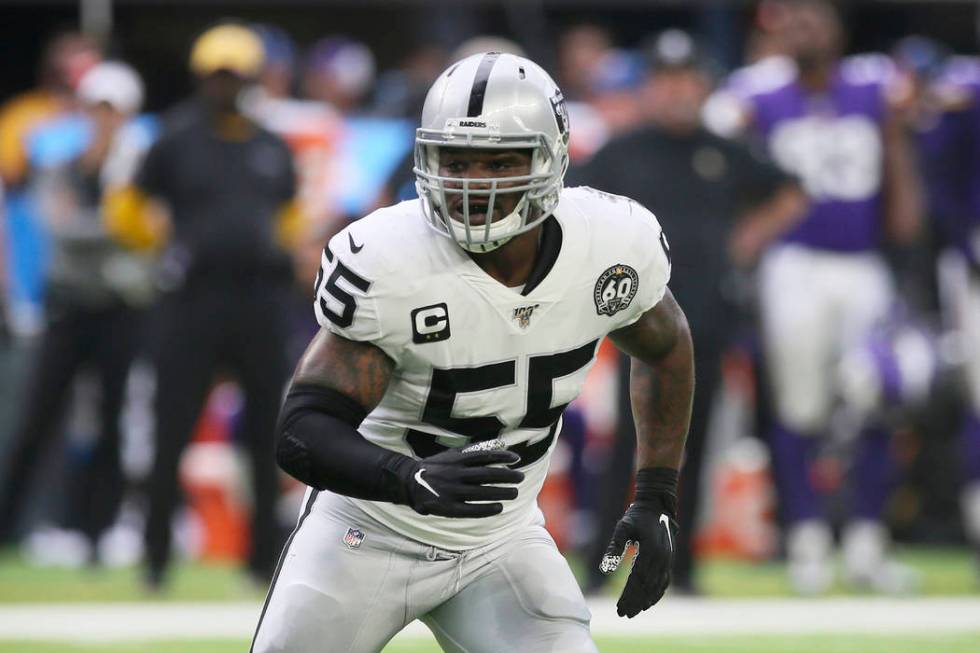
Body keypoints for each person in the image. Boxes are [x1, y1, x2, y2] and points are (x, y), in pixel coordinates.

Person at [251, 52, 694, 653]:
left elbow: (667, 349)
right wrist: (407, 478)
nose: (474, 182)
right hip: (366, 531)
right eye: (455, 161)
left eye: (499, 161)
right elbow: (302, 429)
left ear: (551, 158)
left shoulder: (609, 243)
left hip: (499, 540)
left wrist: (656, 496)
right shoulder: (392, 260)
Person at [571, 29, 805, 595]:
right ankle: (603, 570)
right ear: (649, 86)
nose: (677, 92)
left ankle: (680, 570)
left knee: (692, 450)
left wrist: (749, 239)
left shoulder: (723, 151)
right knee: (625, 449)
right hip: (633, 329)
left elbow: (790, 190)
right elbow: (569, 211)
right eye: (666, 80)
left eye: (687, 79)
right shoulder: (623, 150)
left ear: (703, 85)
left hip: (706, 323)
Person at [712, 0, 922, 593]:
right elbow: (720, 156)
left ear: (838, 27)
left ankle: (866, 544)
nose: (803, 28)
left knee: (878, 397)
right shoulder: (757, 93)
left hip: (863, 263)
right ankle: (806, 541)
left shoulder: (875, 85)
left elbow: (899, 164)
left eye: (815, 17)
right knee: (800, 406)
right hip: (794, 263)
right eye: (793, 19)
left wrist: (902, 225)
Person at [104, 23, 301, 589]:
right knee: (171, 428)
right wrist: (159, 247)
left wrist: (278, 248)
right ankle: (156, 559)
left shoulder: (270, 144)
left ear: (252, 79)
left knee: (268, 431)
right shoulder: (173, 138)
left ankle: (261, 559)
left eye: (235, 76)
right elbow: (127, 205)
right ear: (200, 77)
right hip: (192, 300)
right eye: (217, 75)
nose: (225, 86)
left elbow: (290, 211)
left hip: (260, 298)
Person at [0, 62, 152, 551]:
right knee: (39, 416)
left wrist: (105, 224)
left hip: (119, 306)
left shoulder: (136, 171)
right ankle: (11, 527)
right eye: (96, 108)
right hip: (68, 306)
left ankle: (96, 531)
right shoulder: (60, 165)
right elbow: (62, 229)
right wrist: (109, 226)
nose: (103, 118)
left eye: (112, 110)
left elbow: (135, 231)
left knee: (111, 420)